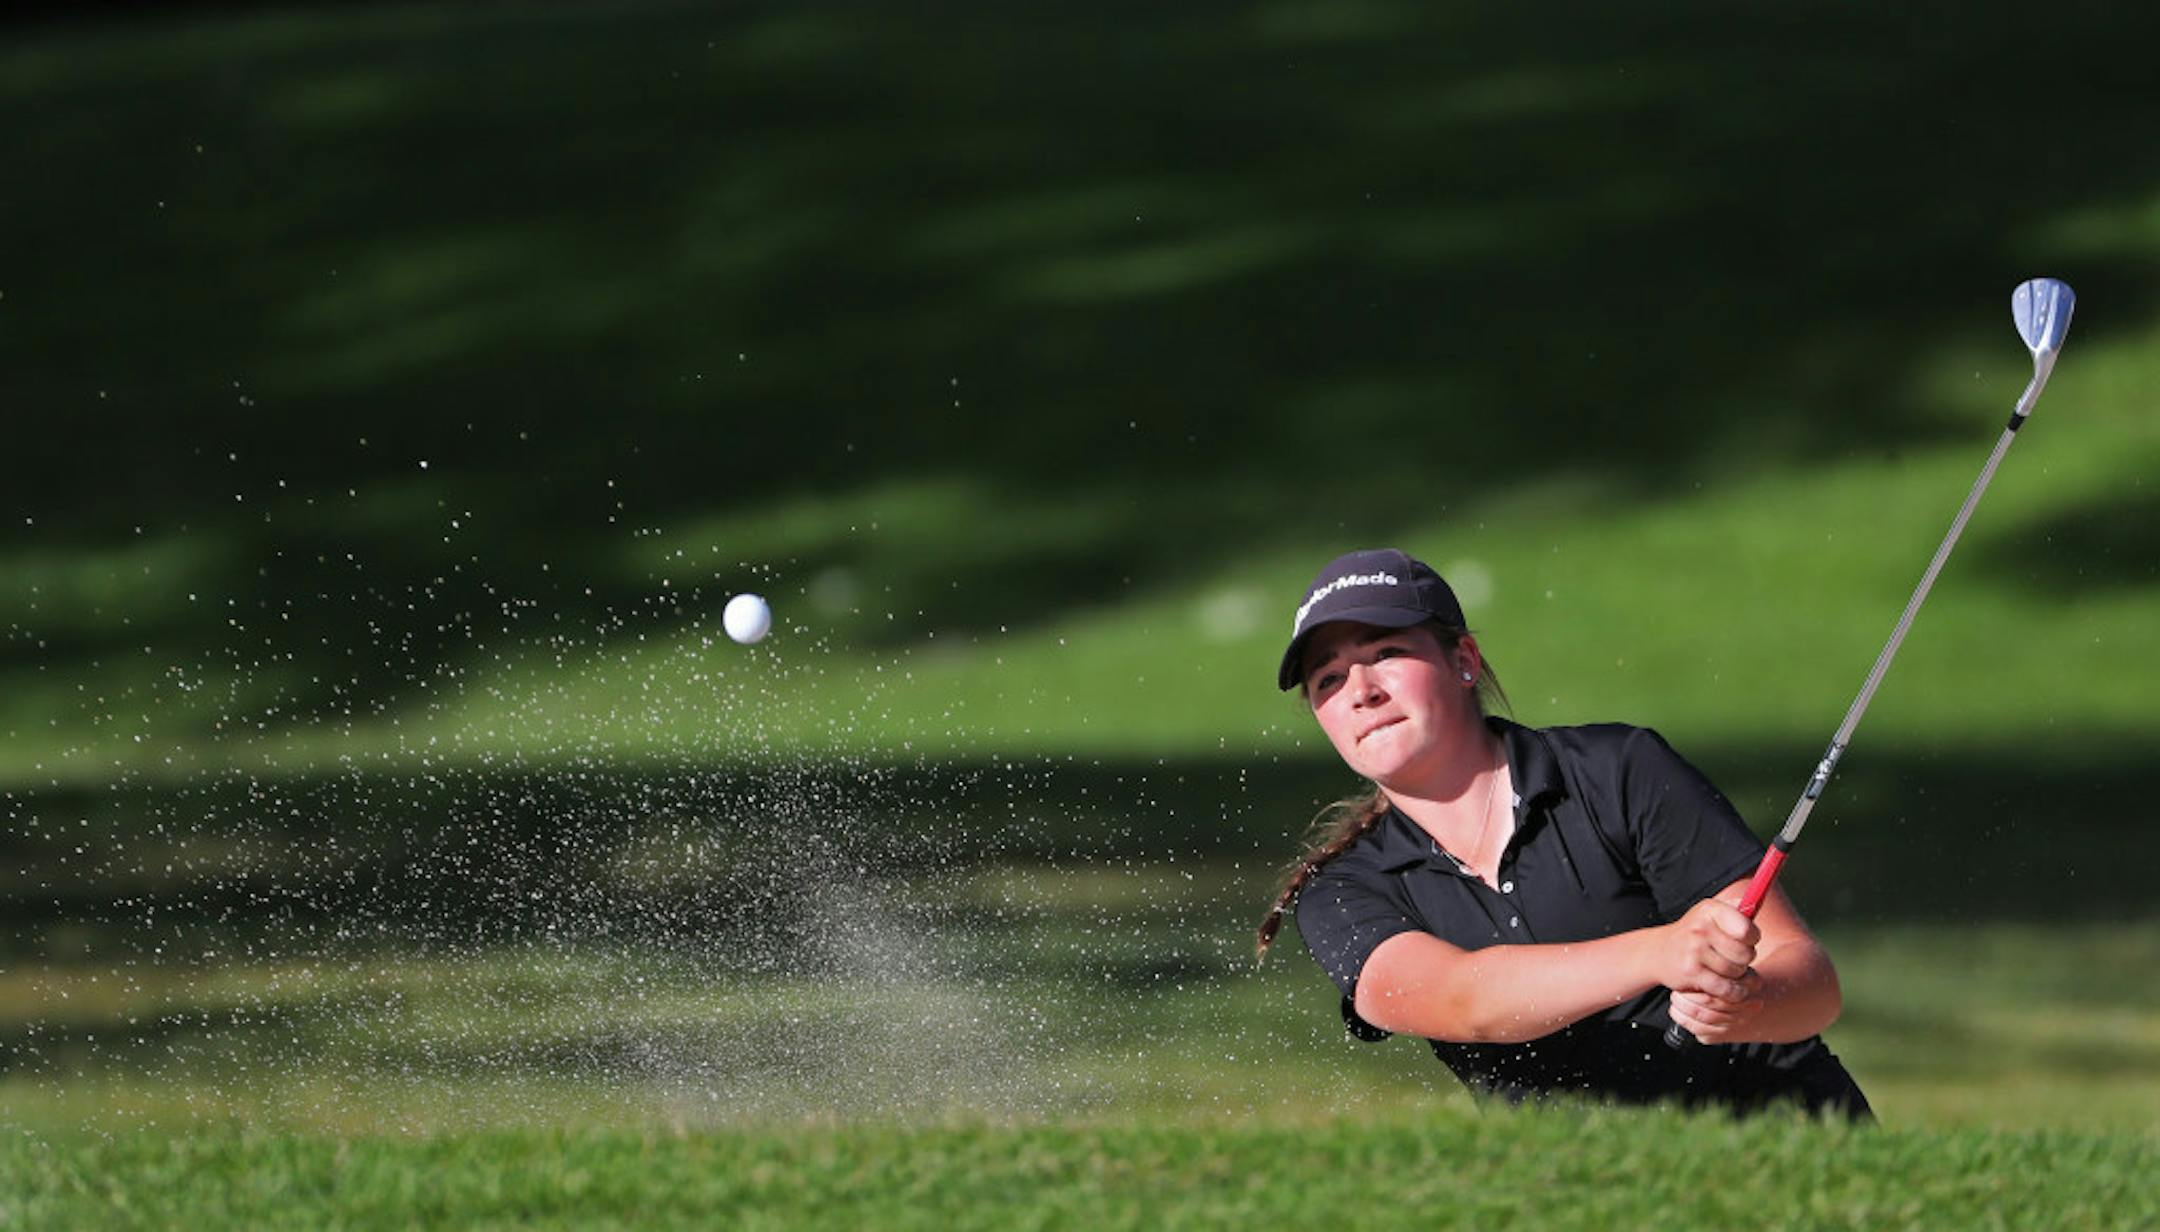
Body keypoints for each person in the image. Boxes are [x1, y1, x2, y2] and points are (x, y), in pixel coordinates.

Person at [1256, 548, 1871, 1119]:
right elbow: (1462, 1001)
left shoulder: (1620, 770)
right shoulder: (1339, 891)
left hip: (1791, 1137)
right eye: (1328, 680)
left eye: (1386, 653)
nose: (1361, 692)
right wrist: (1659, 951)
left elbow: (1812, 986)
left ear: (1464, 661)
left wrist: (1750, 1004)